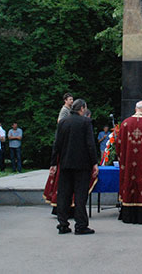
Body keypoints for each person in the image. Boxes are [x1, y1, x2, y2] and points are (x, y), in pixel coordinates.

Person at [49, 99, 98, 235]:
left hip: (65, 164)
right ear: (82, 108)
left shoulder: (63, 122)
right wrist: (94, 162)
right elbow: (90, 144)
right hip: (82, 165)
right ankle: (81, 225)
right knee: (80, 195)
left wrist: (53, 163)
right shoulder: (86, 122)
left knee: (64, 194)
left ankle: (63, 224)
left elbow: (57, 144)